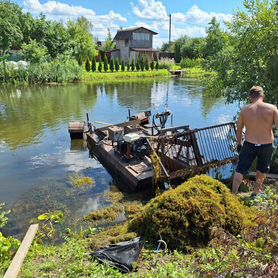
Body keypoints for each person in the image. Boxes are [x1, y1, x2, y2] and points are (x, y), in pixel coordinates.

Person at [232, 85, 278, 195]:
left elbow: (239, 130)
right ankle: (255, 192)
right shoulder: (272, 108)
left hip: (249, 144)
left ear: (250, 97)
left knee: (240, 169)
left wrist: (239, 143)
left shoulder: (245, 110)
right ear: (263, 95)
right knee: (261, 170)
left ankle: (233, 194)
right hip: (266, 145)